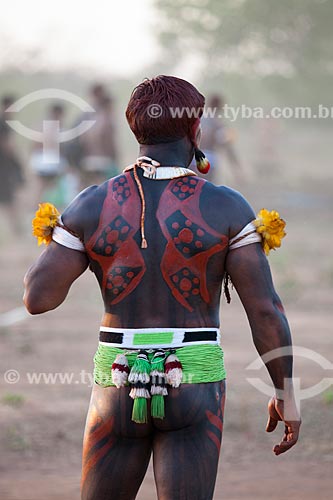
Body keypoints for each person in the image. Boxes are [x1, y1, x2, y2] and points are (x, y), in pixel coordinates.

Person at [23, 75, 300, 500]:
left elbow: (38, 298)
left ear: (135, 129)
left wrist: (68, 229)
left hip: (117, 381)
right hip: (193, 380)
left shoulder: (92, 202)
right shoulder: (226, 205)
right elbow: (265, 311)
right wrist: (285, 392)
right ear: (195, 129)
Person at [199, 94, 243, 185]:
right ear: (221, 107)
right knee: (206, 191)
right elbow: (228, 148)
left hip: (193, 160)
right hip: (209, 162)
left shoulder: (198, 120)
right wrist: (236, 168)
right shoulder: (219, 125)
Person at [0, 95, 25, 234]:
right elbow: (7, 146)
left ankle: (15, 228)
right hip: (4, 167)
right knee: (8, 200)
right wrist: (17, 162)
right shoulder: (3, 123)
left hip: (5, 166)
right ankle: (16, 229)